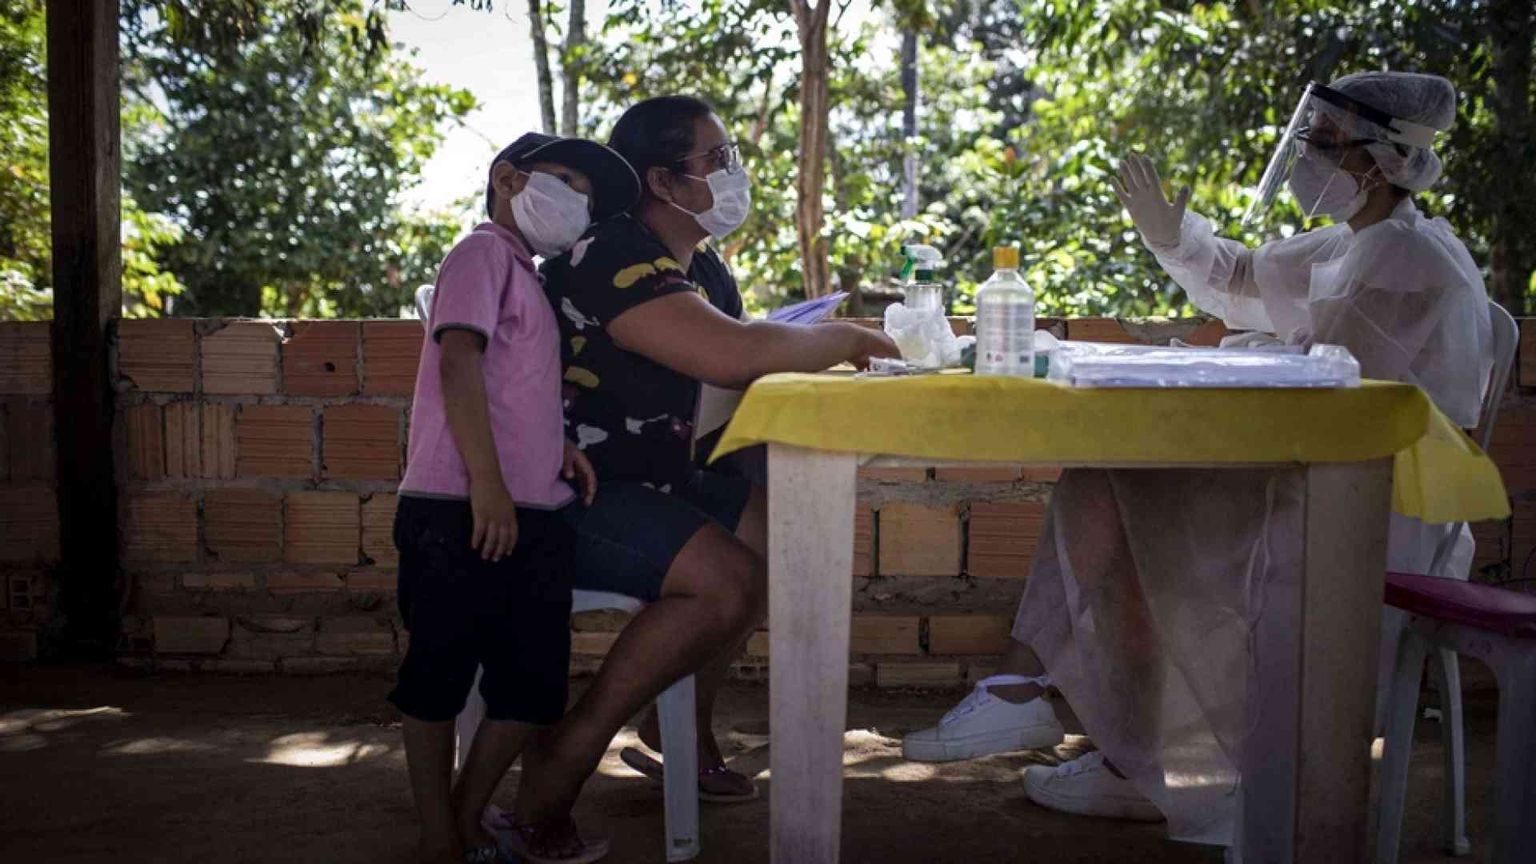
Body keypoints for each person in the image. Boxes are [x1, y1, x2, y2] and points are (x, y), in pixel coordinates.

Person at [901, 71, 1493, 846]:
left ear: (1381, 162)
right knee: (1105, 481)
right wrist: (1169, 234)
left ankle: (1071, 722)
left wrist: (1246, 351)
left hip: (1369, 510)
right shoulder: (1356, 240)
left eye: (1324, 144)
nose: (1307, 156)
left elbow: (1338, 387)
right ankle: (1084, 731)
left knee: (1116, 495)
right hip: (1306, 477)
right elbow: (1247, 280)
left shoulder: (1412, 260)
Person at [509, 95, 899, 849]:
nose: (733, 173)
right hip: (573, 492)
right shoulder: (610, 253)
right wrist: (853, 336)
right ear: (660, 180)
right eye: (715, 160)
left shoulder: (704, 268)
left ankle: (676, 729)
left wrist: (801, 345)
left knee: (769, 534)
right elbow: (732, 355)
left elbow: (734, 361)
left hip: (657, 483)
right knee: (729, 580)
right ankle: (565, 755)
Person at [389, 132, 635, 864]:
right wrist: (489, 487)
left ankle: (467, 813)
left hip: (535, 512)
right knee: (437, 676)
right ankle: (441, 836)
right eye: (567, 181)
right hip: (457, 507)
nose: (579, 203)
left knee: (532, 687)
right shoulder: (481, 252)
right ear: (507, 178)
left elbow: (509, 384)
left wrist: (549, 446)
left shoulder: (528, 273)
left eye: (589, 198)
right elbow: (458, 362)